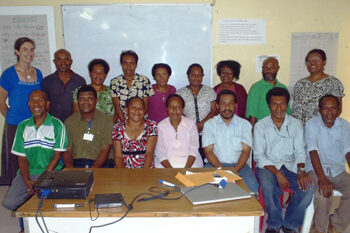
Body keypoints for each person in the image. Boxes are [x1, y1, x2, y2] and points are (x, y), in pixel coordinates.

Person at [254, 87, 314, 233]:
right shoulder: (260, 126)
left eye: (282, 104)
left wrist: (300, 170)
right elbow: (259, 155)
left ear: (287, 104)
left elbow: (300, 151)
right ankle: (274, 224)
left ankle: (290, 224)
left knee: (309, 188)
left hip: (291, 166)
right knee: (268, 186)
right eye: (274, 104)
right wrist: (277, 173)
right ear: (269, 105)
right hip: (268, 166)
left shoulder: (296, 124)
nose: (278, 108)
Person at [2, 90, 67, 214]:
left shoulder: (57, 125)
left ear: (47, 104)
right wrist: (27, 181)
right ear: (29, 104)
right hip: (28, 173)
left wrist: (40, 181)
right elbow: (21, 158)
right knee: (10, 202)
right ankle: (28, 213)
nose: (36, 103)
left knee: (46, 203)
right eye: (33, 100)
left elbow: (56, 157)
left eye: (40, 100)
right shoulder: (23, 126)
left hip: (50, 173)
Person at [0, 37, 43, 184]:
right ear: (17, 51)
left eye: (32, 49)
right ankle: (14, 189)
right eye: (25, 49)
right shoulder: (8, 74)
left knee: (33, 157)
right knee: (14, 159)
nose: (29, 53)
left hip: (35, 124)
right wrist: (12, 118)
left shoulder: (38, 73)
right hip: (15, 125)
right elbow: (1, 101)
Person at [305, 94, 350, 233]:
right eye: (325, 108)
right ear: (319, 109)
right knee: (322, 194)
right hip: (316, 169)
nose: (329, 112)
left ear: (338, 109)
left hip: (338, 169)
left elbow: (348, 151)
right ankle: (321, 229)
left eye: (333, 108)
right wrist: (322, 178)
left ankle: (337, 225)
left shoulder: (344, 125)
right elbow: (313, 152)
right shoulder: (312, 124)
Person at [202, 90, 258, 193]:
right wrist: (223, 171)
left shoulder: (245, 125)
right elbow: (208, 152)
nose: (227, 107)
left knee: (252, 187)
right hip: (214, 165)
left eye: (230, 103)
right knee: (204, 189)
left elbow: (246, 151)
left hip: (240, 166)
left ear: (236, 105)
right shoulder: (209, 125)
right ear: (217, 105)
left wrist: (234, 172)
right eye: (223, 103)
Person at [63, 85, 114, 168]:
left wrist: (91, 171)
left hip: (102, 163)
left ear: (96, 100)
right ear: (77, 101)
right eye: (82, 99)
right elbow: (67, 150)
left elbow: (105, 150)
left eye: (90, 98)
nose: (86, 102)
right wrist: (71, 170)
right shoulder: (70, 121)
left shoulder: (106, 120)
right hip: (77, 162)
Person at [291, 49, 344, 125]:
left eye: (316, 60)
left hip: (320, 131)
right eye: (309, 61)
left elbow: (338, 110)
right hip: (298, 130)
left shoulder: (333, 83)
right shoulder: (300, 84)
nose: (312, 63)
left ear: (324, 62)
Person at [176, 63, 217, 160]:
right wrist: (192, 125)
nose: (196, 77)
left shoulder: (210, 91)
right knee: (190, 156)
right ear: (188, 75)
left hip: (207, 130)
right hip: (188, 130)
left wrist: (202, 123)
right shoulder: (180, 92)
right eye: (193, 75)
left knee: (207, 157)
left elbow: (214, 110)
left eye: (199, 75)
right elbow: (179, 112)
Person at [155, 94, 203, 168]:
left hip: (190, 165)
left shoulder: (190, 124)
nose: (174, 110)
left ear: (182, 109)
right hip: (166, 166)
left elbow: (193, 149)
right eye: (171, 107)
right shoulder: (160, 126)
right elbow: (160, 151)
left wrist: (186, 169)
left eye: (178, 107)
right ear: (167, 108)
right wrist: (171, 171)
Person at [41, 49, 86, 122]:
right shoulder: (47, 81)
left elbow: (83, 105)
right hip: (54, 124)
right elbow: (45, 105)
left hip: (75, 124)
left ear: (71, 61)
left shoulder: (80, 81)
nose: (63, 63)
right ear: (54, 62)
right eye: (59, 59)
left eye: (66, 59)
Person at [112, 97, 157, 168]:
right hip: (122, 169)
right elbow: (118, 156)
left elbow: (149, 153)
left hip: (146, 169)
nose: (137, 111)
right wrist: (124, 176)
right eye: (133, 108)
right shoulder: (117, 127)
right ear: (127, 110)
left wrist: (142, 175)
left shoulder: (151, 126)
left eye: (141, 108)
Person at [110, 50, 154, 122]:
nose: (128, 67)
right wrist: (126, 123)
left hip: (141, 121)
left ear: (136, 65)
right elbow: (117, 106)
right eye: (125, 63)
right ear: (121, 64)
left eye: (132, 63)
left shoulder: (144, 80)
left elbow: (146, 105)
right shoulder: (115, 82)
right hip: (122, 121)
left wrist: (137, 123)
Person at [246, 57, 290, 127]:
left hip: (281, 130)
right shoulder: (256, 88)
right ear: (262, 69)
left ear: (277, 68)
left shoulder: (283, 88)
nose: (268, 70)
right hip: (262, 130)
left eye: (272, 68)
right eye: (265, 68)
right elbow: (252, 115)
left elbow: (287, 113)